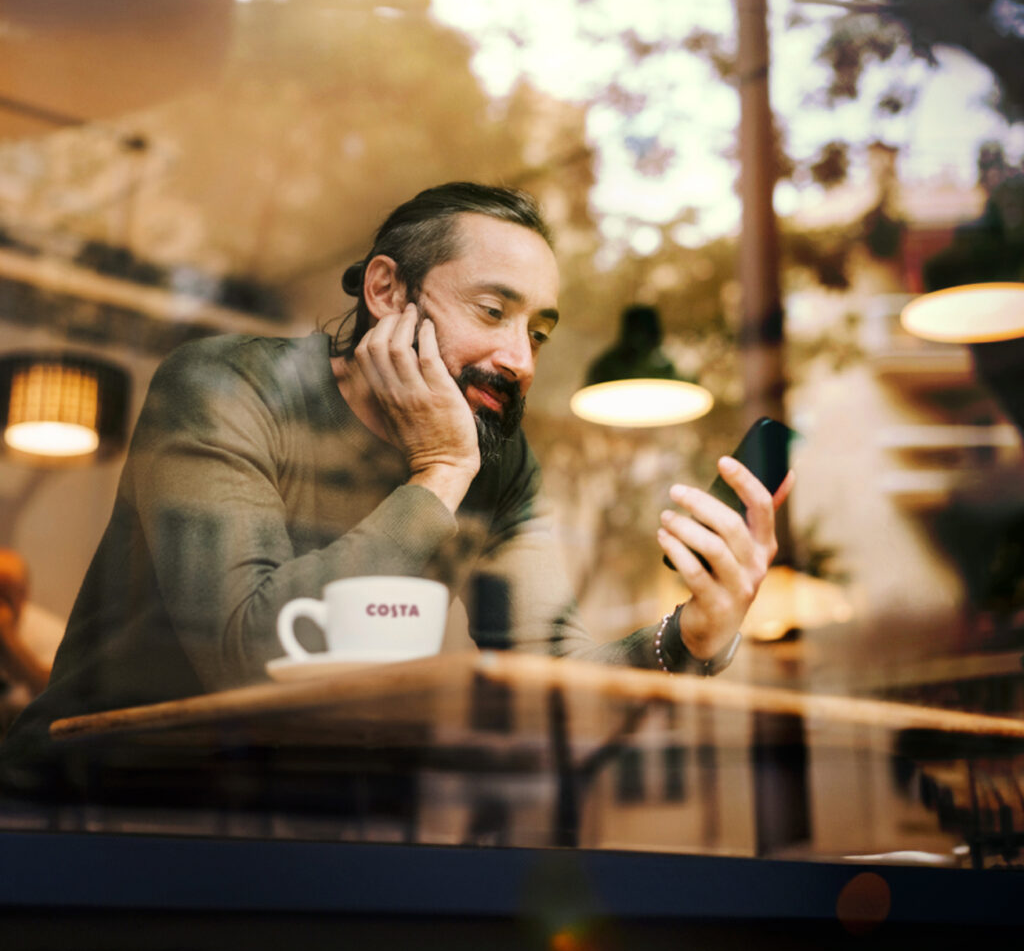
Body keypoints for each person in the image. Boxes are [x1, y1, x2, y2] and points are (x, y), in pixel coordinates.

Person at [0, 182, 791, 785]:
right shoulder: (222, 388)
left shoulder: (501, 463)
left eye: (538, 331)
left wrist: (690, 637)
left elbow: (551, 684)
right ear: (387, 293)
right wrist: (440, 473)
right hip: (78, 816)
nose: (520, 358)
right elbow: (248, 659)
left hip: (287, 825)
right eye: (492, 310)